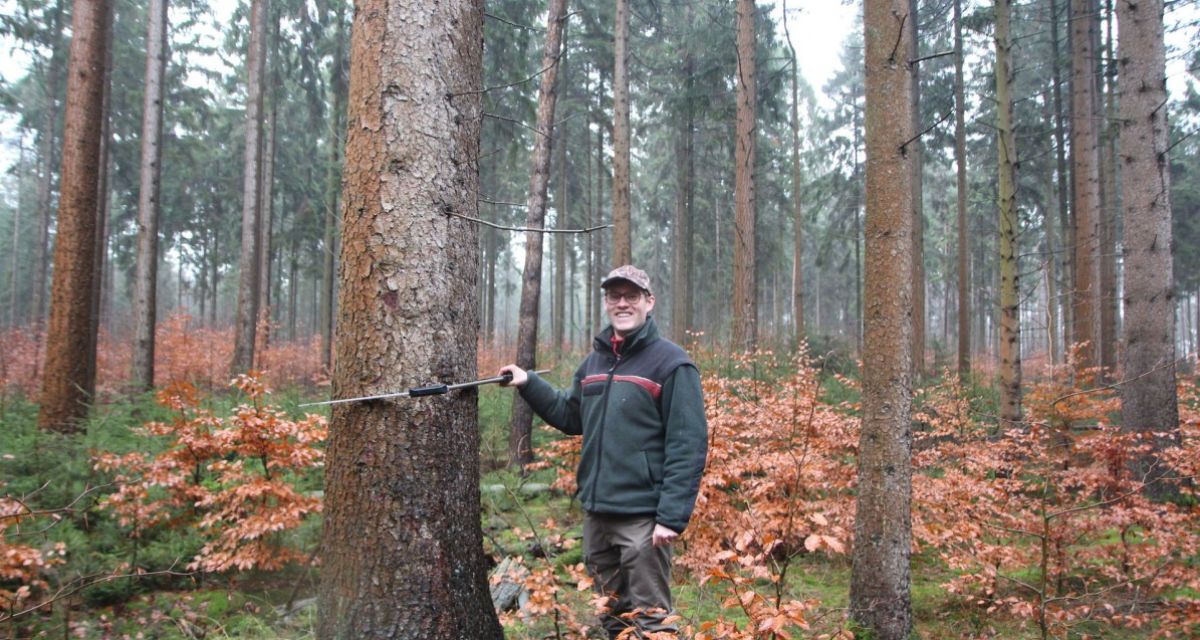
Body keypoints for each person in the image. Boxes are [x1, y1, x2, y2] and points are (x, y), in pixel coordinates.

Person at [499, 265, 708, 639]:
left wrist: (671, 517)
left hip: (643, 519)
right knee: (611, 615)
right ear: (607, 303)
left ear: (649, 302)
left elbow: (687, 445)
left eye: (632, 296)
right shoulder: (595, 362)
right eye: (615, 296)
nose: (622, 303)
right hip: (597, 514)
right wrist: (529, 382)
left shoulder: (672, 364)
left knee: (651, 619)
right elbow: (570, 415)